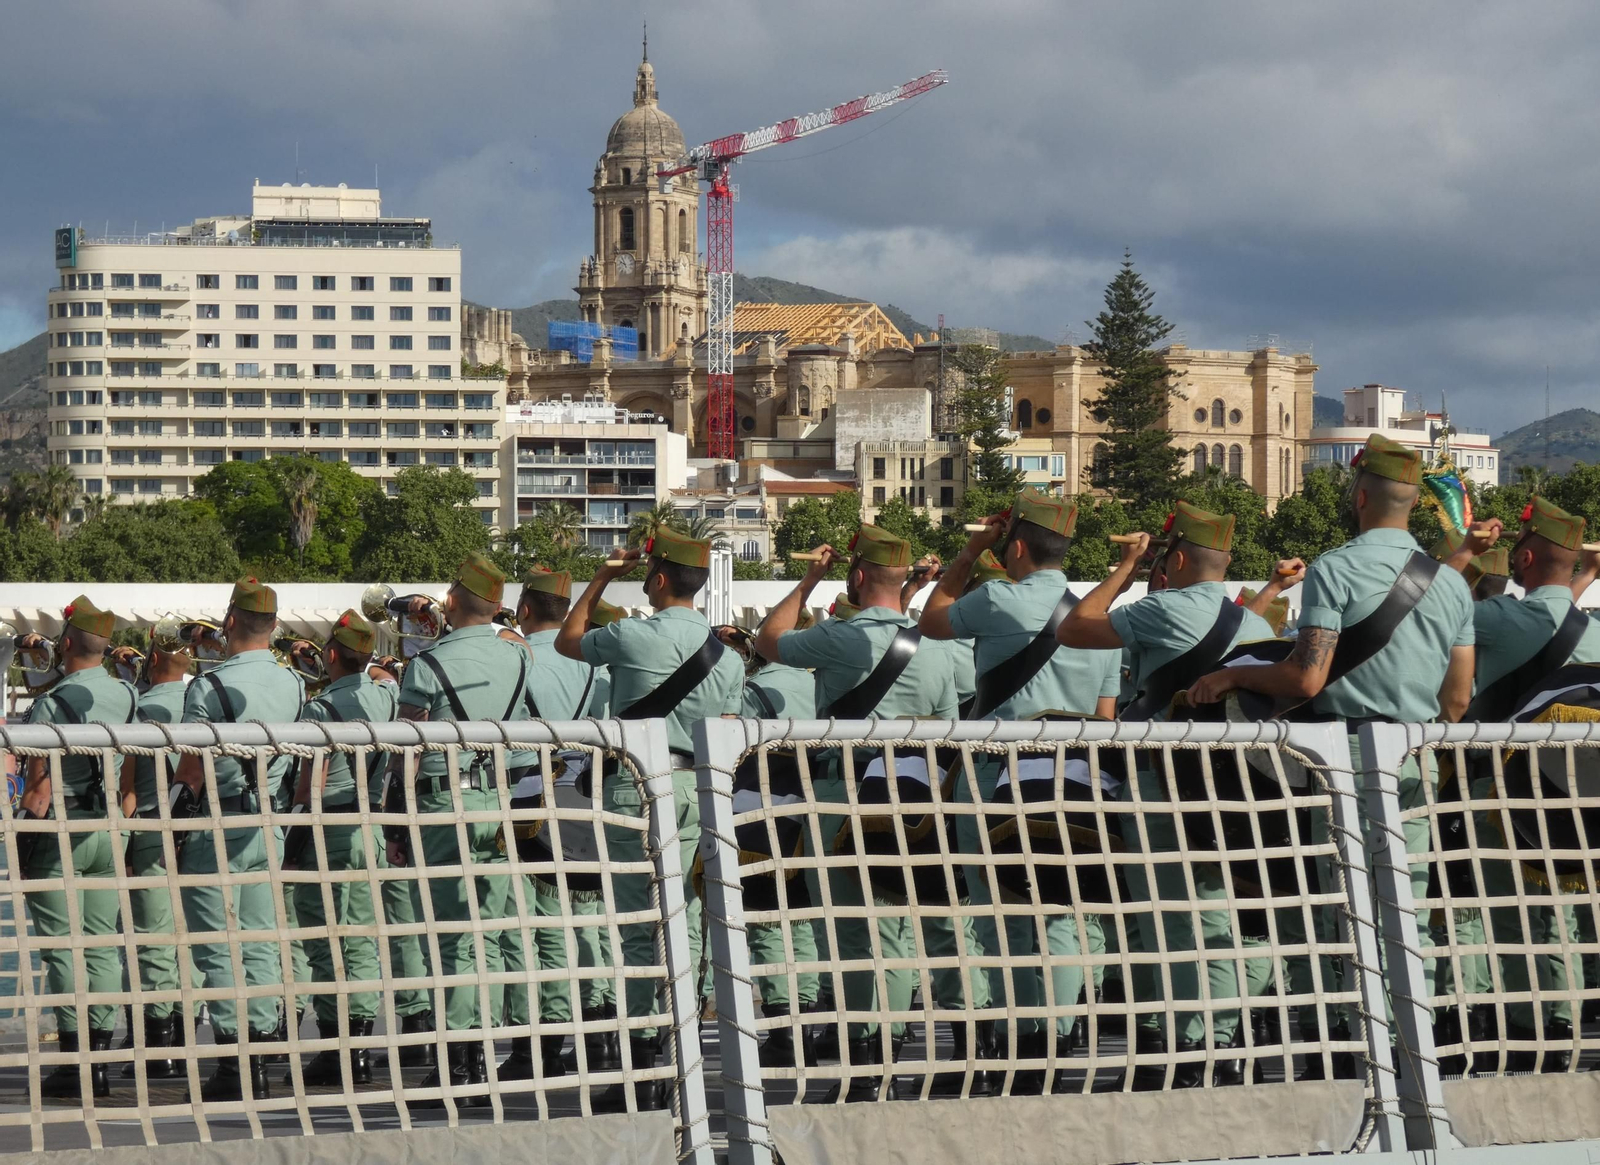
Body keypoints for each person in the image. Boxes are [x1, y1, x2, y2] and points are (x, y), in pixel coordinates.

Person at [1187, 434, 1475, 1075]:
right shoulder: (1451, 584)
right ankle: (1416, 1054)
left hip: (1344, 757)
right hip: (1418, 758)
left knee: (1347, 910)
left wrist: (1234, 678)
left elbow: (1305, 679)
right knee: (1410, 913)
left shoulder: (1336, 569)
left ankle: (1354, 1054)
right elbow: (1457, 701)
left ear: (1360, 494)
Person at [753, 525, 977, 1102]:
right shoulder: (941, 646)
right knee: (905, 931)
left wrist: (808, 580)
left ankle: (866, 1071)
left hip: (846, 792)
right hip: (920, 797)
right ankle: (902, 1056)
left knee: (857, 938)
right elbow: (949, 725)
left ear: (856, 577)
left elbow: (768, 639)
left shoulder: (839, 636)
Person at [1059, 503, 1276, 1087]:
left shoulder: (1163, 609)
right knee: (1221, 918)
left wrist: (1127, 567)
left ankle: (1197, 1050)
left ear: (1176, 559)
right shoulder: (1256, 624)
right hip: (1237, 786)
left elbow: (1075, 626)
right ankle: (1222, 1042)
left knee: (1177, 920)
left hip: (1165, 781)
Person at [919, 488, 1120, 1092]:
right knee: (1060, 910)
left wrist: (970, 549)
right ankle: (1058, 1044)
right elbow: (1107, 717)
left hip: (997, 772)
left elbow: (931, 620)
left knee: (1000, 913)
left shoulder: (996, 598)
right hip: (1075, 775)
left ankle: (1023, 1044)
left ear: (1019, 548)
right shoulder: (1093, 616)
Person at [556, 528, 743, 1109]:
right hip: (701, 787)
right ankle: (681, 1047)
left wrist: (606, 573)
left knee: (640, 925)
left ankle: (643, 1063)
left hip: (639, 787)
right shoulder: (730, 658)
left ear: (658, 579)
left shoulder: (632, 636)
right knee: (684, 920)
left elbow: (568, 640)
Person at [1450, 498, 1600, 1070]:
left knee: (1508, 913)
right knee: (1559, 906)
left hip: (1502, 787)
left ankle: (1527, 1030)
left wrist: (1465, 554)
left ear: (1527, 555)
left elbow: (1429, 612)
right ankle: (1563, 1025)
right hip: (1578, 796)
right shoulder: (1592, 632)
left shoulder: (1500, 617)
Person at [391, 553, 532, 1105]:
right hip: (497, 800)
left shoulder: (426, 665)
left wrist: (397, 821)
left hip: (441, 803)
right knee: (490, 934)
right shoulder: (518, 658)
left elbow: (406, 747)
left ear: (451, 600)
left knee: (451, 939)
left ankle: (457, 1067)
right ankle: (482, 1057)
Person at [171, 578, 306, 1102]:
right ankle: (263, 1053)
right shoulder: (295, 685)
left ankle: (234, 1062)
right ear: (272, 627)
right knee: (259, 940)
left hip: (217, 825)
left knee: (217, 947)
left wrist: (173, 831)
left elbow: (190, 771)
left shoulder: (207, 687)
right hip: (268, 825)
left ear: (230, 621)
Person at [18, 597, 139, 1099]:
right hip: (112, 827)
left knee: (63, 947)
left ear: (66, 643)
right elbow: (133, 765)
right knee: (101, 943)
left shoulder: (51, 703)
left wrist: (22, 838)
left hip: (62, 830)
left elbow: (39, 787)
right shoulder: (129, 695)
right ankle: (101, 1056)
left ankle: (75, 1060)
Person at [280, 611, 395, 1087]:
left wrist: (293, 846)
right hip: (371, 827)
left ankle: (335, 1050)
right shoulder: (388, 696)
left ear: (330, 654)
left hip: (329, 826)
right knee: (363, 938)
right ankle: (362, 1046)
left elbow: (311, 785)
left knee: (326, 941)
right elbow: (385, 677)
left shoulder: (321, 708)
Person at [498, 566, 602, 1082]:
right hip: (584, 794)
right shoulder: (594, 666)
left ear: (524, 610)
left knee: (527, 928)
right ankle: (587, 1023)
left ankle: (533, 1042)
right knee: (579, 918)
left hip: (529, 793)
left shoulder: (519, 660)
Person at [115, 625, 195, 1080]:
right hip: (202, 830)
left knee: (149, 941)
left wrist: (125, 842)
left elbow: (127, 785)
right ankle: (184, 1037)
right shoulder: (203, 703)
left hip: (149, 829)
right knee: (195, 940)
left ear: (155, 660)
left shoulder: (141, 709)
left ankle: (156, 1043)